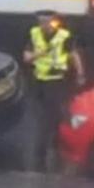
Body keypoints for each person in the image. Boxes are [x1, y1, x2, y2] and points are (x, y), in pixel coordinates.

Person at [23, 10, 85, 171]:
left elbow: (73, 55)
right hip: (38, 81)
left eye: (46, 22)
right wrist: (39, 54)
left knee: (50, 116)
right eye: (40, 22)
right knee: (45, 114)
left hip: (56, 81)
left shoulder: (63, 36)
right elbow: (27, 57)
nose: (43, 25)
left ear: (52, 22)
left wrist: (80, 73)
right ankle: (54, 143)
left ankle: (44, 151)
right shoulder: (34, 34)